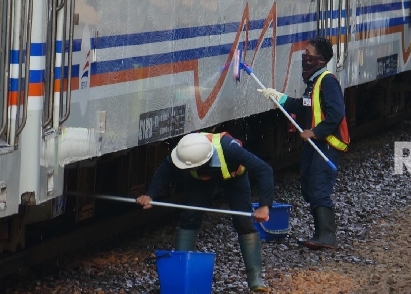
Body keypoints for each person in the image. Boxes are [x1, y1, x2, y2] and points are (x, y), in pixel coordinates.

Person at [136, 132, 273, 292]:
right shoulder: (185, 151)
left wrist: (265, 205)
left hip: (235, 178)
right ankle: (181, 273)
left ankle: (255, 279)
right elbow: (166, 169)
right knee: (189, 217)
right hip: (200, 180)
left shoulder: (229, 149)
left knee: (243, 222)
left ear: (204, 161)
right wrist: (150, 194)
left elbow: (265, 170)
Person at [257, 37, 349, 249]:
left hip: (326, 144)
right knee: (308, 186)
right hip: (316, 144)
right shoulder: (314, 83)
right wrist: (279, 98)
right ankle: (320, 233)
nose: (304, 57)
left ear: (319, 58)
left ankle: (327, 235)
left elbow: (337, 113)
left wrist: (315, 132)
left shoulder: (328, 81)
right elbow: (304, 106)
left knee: (318, 187)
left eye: (308, 53)